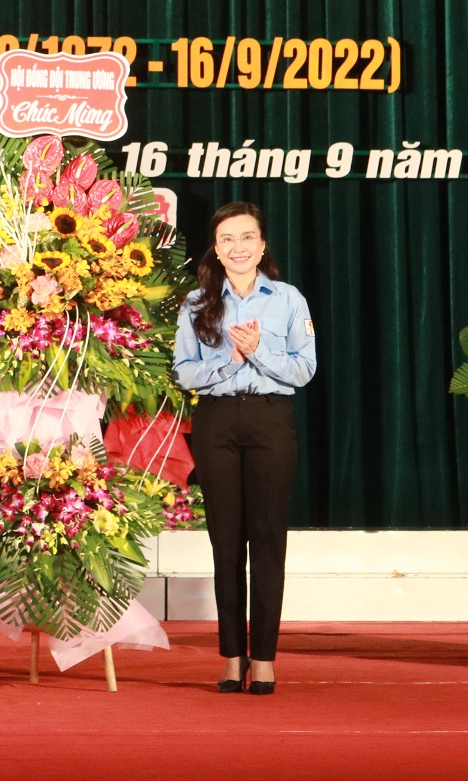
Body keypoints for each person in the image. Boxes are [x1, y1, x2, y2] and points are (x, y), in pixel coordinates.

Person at [172, 200, 317, 697]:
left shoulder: (288, 299)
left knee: (268, 539)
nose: (238, 247)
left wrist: (259, 352)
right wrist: (230, 361)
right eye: (227, 239)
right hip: (216, 421)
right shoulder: (196, 303)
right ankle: (232, 657)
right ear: (216, 249)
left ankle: (265, 659)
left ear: (262, 245)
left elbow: (304, 369)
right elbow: (184, 372)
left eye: (247, 237)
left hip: (269, 420)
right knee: (226, 542)